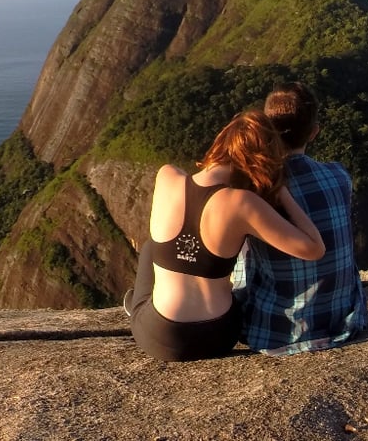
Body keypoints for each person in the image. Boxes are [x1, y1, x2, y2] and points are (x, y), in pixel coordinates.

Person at [126, 109, 326, 362]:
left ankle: (134, 305)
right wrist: (282, 192)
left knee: (150, 248)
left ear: (221, 141)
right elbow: (314, 248)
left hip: (164, 337)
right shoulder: (244, 203)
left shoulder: (167, 175)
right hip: (220, 334)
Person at [232, 82, 368, 355]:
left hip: (272, 331)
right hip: (341, 321)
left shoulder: (256, 188)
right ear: (314, 133)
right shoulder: (339, 176)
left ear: (264, 130)